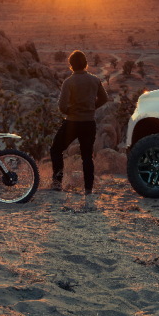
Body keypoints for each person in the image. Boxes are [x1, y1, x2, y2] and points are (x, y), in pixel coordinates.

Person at [50, 50, 108, 205]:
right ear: (85, 63)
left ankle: (57, 183)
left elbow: (62, 106)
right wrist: (92, 107)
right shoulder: (95, 80)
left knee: (56, 150)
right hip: (89, 122)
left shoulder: (69, 82)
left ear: (71, 65)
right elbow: (104, 98)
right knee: (87, 156)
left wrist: (70, 111)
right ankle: (88, 189)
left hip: (72, 123)